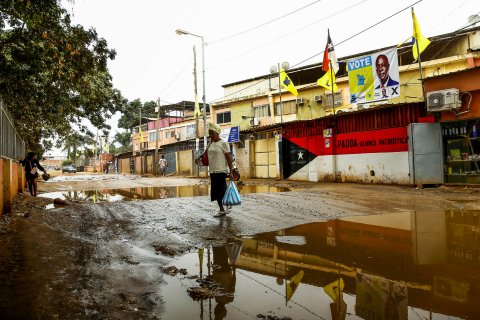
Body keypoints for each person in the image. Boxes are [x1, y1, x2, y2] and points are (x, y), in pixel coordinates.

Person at [206, 122, 233, 217]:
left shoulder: (224, 144)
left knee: (223, 190)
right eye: (209, 133)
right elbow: (206, 154)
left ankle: (228, 204)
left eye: (212, 133)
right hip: (212, 171)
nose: (210, 135)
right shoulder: (210, 144)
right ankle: (221, 210)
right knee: (215, 192)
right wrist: (200, 158)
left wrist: (231, 172)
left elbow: (229, 159)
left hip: (222, 171)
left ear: (217, 133)